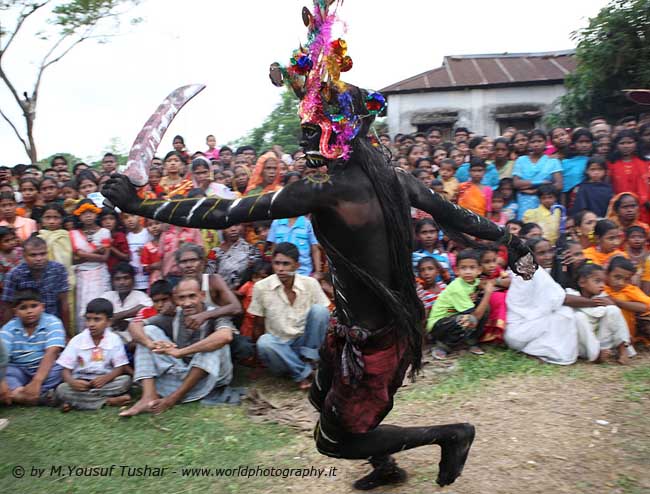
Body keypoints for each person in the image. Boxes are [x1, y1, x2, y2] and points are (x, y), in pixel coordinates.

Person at [103, 22, 535, 484]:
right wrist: (512, 242)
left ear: (339, 131)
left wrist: (141, 204)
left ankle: (450, 435)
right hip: (363, 326)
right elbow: (459, 216)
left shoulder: (324, 187)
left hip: (375, 337)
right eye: (305, 123)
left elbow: (228, 211)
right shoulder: (390, 177)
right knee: (321, 398)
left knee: (335, 440)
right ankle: (386, 465)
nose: (304, 134)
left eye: (314, 125)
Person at [119, 277, 235, 416]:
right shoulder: (175, 314)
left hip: (213, 379)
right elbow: (134, 325)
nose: (187, 303)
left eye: (192, 296)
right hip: (183, 374)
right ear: (176, 299)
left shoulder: (215, 313)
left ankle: (172, 399)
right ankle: (148, 396)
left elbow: (226, 336)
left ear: (202, 295)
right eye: (182, 298)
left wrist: (181, 352)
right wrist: (151, 344)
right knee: (148, 332)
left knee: (213, 343)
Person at [505, 238, 600, 365]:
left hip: (518, 331)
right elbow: (564, 299)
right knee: (565, 313)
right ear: (530, 254)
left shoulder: (524, 267)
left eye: (550, 251)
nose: (548, 256)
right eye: (542, 253)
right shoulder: (534, 271)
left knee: (564, 312)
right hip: (521, 332)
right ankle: (540, 352)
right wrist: (596, 302)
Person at [248, 243, 330, 389]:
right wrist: (257, 363)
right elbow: (258, 325)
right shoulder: (261, 287)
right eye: (277, 263)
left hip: (305, 346)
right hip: (279, 351)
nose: (280, 269)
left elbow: (324, 320)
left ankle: (309, 363)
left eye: (286, 264)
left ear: (297, 265)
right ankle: (306, 373)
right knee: (265, 341)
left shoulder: (310, 283)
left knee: (320, 311)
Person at [55, 298, 132, 411]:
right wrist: (72, 382)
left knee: (125, 381)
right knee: (62, 388)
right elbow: (65, 370)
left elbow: (119, 368)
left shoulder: (114, 340)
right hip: (81, 383)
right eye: (88, 319)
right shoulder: (77, 340)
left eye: (97, 320)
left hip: (105, 382)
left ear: (109, 322)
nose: (91, 324)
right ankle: (107, 401)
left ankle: (77, 402)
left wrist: (106, 378)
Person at [0, 289, 65, 405]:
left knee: (61, 369)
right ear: (15, 311)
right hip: (19, 369)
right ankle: (39, 397)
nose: (29, 311)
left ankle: (19, 396)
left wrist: (37, 381)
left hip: (45, 368)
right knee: (7, 373)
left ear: (42, 307)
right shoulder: (9, 328)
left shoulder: (52, 322)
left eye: (34, 306)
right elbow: (2, 357)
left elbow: (52, 351)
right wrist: (2, 382)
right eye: (23, 308)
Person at [426, 249, 492, 359]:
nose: (468, 272)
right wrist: (488, 293)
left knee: (484, 307)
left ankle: (471, 340)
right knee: (468, 320)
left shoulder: (473, 281)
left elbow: (480, 284)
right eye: (463, 268)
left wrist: (478, 293)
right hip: (438, 325)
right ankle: (443, 346)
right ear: (456, 270)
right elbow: (475, 317)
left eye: (472, 268)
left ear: (479, 270)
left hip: (452, 319)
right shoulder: (457, 287)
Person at [1, 235, 70, 336]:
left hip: (52, 326)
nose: (39, 258)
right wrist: (7, 335)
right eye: (33, 255)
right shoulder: (14, 274)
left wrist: (65, 333)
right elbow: (8, 307)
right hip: (23, 328)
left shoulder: (58, 270)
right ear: (24, 256)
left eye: (43, 254)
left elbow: (64, 304)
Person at [566, 264, 633, 364]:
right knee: (579, 317)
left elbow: (613, 317)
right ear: (582, 282)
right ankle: (596, 356)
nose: (602, 285)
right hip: (583, 347)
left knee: (613, 310)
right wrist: (593, 303)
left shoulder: (603, 297)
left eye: (603, 282)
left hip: (603, 344)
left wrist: (611, 304)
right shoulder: (572, 294)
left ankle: (623, 350)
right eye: (597, 281)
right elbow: (566, 299)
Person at [69, 199, 111, 333]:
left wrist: (83, 254)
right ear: (79, 216)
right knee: (83, 305)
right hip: (81, 274)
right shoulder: (74, 234)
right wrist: (94, 252)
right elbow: (74, 259)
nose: (88, 216)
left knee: (101, 303)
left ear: (96, 214)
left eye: (91, 212)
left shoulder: (104, 232)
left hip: (100, 274)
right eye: (84, 213)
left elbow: (104, 258)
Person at [512, 129, 563, 219]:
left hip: (546, 201)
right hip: (525, 203)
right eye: (533, 142)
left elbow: (559, 185)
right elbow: (516, 183)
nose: (536, 144)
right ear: (529, 143)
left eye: (539, 141)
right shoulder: (521, 160)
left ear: (545, 142)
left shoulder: (553, 161)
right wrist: (542, 182)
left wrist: (534, 191)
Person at [604, 256, 650, 346]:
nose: (621, 283)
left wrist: (617, 302)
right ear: (607, 273)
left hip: (627, 335)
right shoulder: (600, 288)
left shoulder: (629, 289)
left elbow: (646, 306)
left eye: (626, 279)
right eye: (617, 277)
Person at [102, 262, 153, 341]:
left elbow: (148, 308)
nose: (122, 282)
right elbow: (96, 313)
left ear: (133, 280)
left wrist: (119, 317)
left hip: (134, 341)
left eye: (126, 278)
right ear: (112, 282)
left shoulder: (140, 296)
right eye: (117, 279)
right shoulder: (107, 296)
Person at [607, 130, 649, 223]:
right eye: (622, 143)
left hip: (644, 207)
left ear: (636, 143)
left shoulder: (645, 163)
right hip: (620, 208)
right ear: (616, 145)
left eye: (630, 142)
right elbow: (608, 186)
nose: (626, 146)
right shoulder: (611, 164)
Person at [207, 224, 260, 290]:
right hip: (221, 295)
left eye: (236, 225)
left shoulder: (251, 250)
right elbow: (209, 278)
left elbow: (257, 276)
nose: (233, 229)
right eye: (228, 226)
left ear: (242, 227)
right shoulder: (215, 252)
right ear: (222, 229)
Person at [479, 246, 510, 344]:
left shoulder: (498, 270)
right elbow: (481, 287)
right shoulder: (477, 274)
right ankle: (493, 333)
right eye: (487, 262)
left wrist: (493, 281)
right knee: (500, 298)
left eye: (494, 261)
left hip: (499, 292)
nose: (492, 265)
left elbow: (509, 281)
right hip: (487, 298)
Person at [561, 129, 593, 201]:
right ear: (573, 144)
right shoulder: (566, 163)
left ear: (592, 144)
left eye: (587, 142)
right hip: (572, 199)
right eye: (580, 142)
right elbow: (564, 190)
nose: (584, 145)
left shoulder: (595, 161)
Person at [122, 212, 152, 291]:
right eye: (126, 217)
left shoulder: (148, 233)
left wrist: (146, 253)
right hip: (134, 282)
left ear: (140, 217)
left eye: (132, 215)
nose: (130, 220)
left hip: (149, 280)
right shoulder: (126, 237)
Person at [99, 208, 130, 273]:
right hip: (101, 272)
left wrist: (110, 247)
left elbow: (127, 257)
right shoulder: (98, 235)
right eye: (104, 219)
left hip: (118, 273)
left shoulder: (120, 236)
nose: (108, 222)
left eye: (111, 219)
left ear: (116, 221)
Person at [623, 226, 650, 292]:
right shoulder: (623, 255)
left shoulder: (648, 254)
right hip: (630, 282)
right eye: (633, 237)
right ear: (626, 239)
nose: (637, 239)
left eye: (640, 237)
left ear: (645, 240)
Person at [140, 218, 163, 287]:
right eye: (150, 225)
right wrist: (153, 266)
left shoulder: (169, 242)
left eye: (157, 223)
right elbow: (144, 268)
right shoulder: (147, 247)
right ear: (147, 228)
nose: (154, 227)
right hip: (155, 279)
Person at [0, 226, 21, 294]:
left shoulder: (21, 251)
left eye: (13, 239)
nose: (12, 242)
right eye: (6, 241)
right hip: (7, 291)